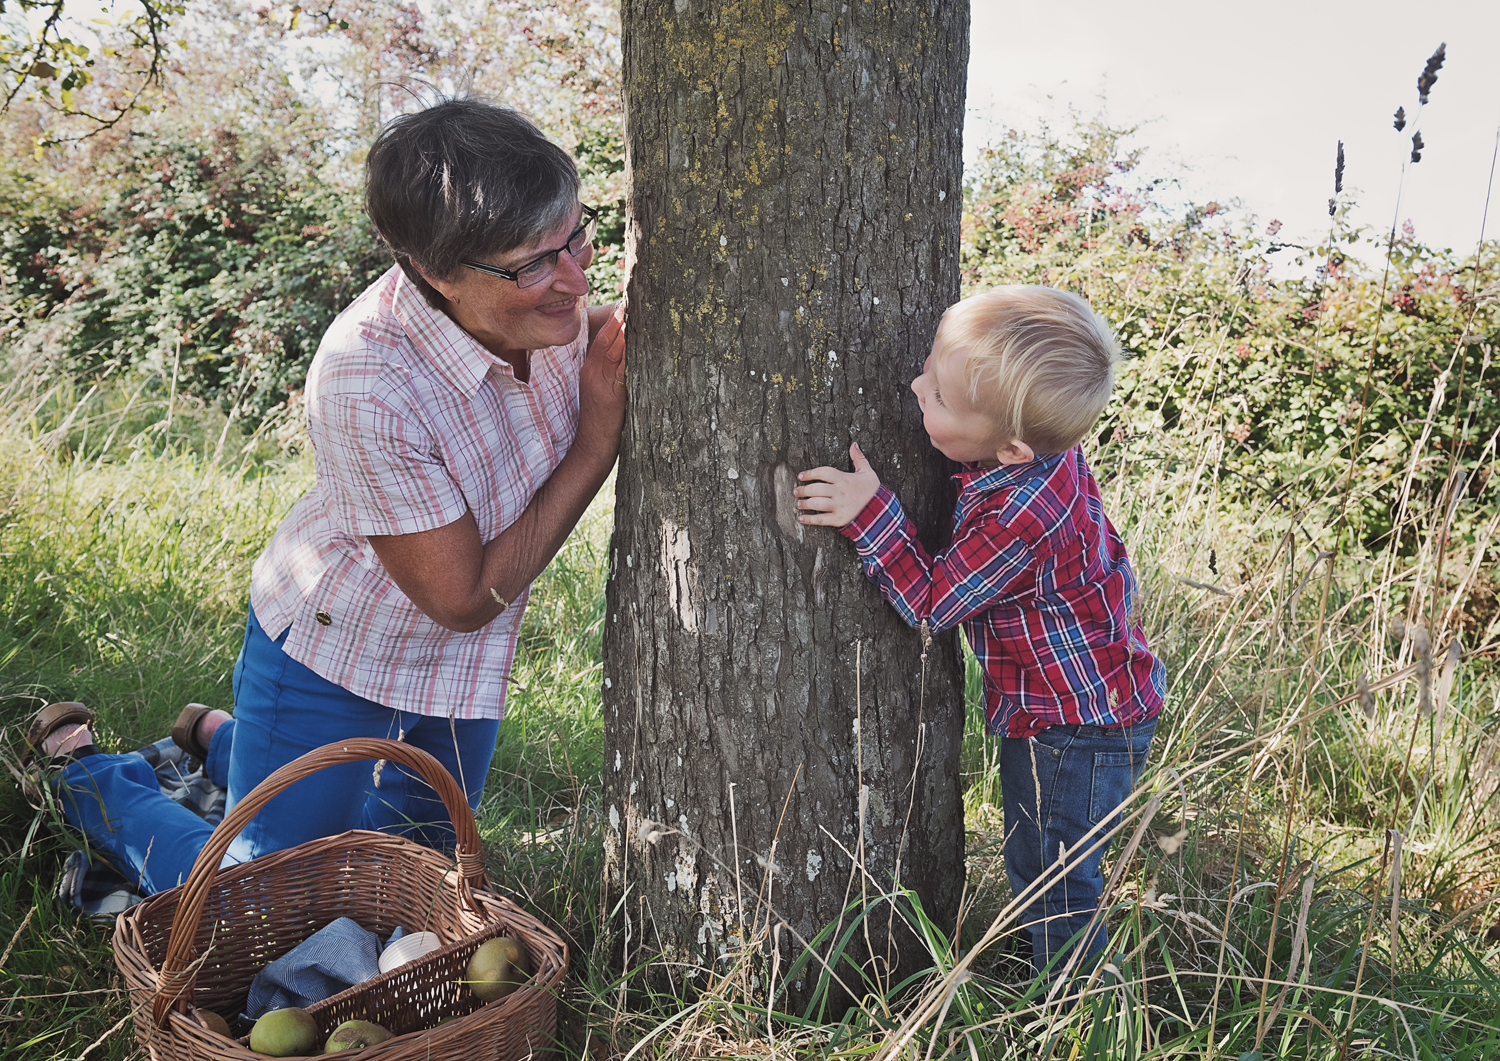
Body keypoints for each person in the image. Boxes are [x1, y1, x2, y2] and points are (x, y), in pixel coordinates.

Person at [24, 96, 626, 895]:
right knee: (264, 904)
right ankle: (90, 779)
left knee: (415, 876)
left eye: (575, 236)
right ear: (435, 271)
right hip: (337, 649)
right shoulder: (366, 377)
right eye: (532, 265)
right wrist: (594, 443)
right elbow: (458, 595)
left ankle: (224, 740)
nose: (577, 280)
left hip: (461, 665)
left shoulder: (544, 305)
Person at [792, 285, 1166, 978]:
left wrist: (869, 510)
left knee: (1054, 876)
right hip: (1084, 705)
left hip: (1074, 728)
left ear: (1013, 448)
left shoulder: (1021, 514)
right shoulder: (1030, 455)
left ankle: (1077, 1009)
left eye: (935, 394)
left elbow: (933, 602)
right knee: (1046, 862)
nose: (914, 385)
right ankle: (1060, 976)